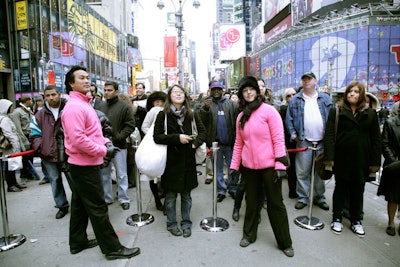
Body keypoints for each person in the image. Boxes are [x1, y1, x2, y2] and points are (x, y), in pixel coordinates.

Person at [61, 65, 140, 259]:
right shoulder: (74, 107)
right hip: (83, 165)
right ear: (71, 84)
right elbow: (79, 140)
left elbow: (94, 132)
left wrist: (105, 141)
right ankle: (112, 248)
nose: (87, 80)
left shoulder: (85, 104)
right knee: (98, 208)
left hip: (85, 163)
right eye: (81, 78)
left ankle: (77, 242)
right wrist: (103, 150)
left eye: (87, 77)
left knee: (80, 205)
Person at [230, 76, 293, 257]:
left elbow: (278, 139)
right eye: (244, 90)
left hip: (269, 167)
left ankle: (285, 242)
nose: (248, 92)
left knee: (275, 204)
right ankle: (249, 235)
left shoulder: (270, 111)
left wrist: (280, 165)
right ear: (242, 95)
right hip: (249, 167)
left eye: (251, 89)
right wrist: (234, 166)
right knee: (251, 203)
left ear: (257, 91)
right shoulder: (241, 116)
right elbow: (238, 144)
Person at [324, 81, 381, 237]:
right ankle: (337, 217)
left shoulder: (370, 114)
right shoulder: (336, 111)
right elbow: (329, 135)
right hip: (342, 158)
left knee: (358, 190)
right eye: (350, 91)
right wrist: (329, 158)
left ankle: (356, 220)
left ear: (361, 95)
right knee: (340, 188)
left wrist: (375, 163)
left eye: (356, 92)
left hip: (362, 159)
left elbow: (376, 139)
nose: (352, 94)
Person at [153, 84, 206, 238]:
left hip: (188, 161)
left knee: (186, 196)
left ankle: (186, 223)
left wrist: (195, 144)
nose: (178, 94)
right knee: (170, 197)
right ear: (169, 96)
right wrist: (177, 138)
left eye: (181, 92)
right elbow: (157, 137)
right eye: (175, 92)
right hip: (170, 162)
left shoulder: (191, 113)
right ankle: (171, 224)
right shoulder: (163, 115)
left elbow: (202, 132)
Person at [286, 71, 332, 211]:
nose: (306, 82)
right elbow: (289, 120)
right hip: (304, 142)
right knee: (302, 172)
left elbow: (332, 118)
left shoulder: (325, 99)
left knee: (319, 171)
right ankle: (303, 197)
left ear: (315, 81)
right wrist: (295, 136)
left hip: (322, 142)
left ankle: (319, 197)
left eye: (309, 79)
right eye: (304, 79)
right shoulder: (295, 100)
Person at [30, 85, 70, 219]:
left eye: (53, 94)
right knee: (55, 180)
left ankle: (79, 205)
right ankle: (62, 206)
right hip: (48, 154)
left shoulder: (69, 108)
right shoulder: (40, 114)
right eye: (47, 96)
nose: (51, 98)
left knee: (73, 181)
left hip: (68, 153)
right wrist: (41, 147)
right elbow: (34, 134)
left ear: (59, 94)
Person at [199, 81, 239, 202]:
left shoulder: (231, 104)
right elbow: (202, 122)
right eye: (213, 89)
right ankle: (221, 190)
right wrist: (205, 109)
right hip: (215, 144)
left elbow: (237, 122)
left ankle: (232, 188)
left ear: (222, 90)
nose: (216, 91)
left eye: (218, 89)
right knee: (218, 169)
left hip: (230, 143)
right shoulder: (206, 104)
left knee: (233, 168)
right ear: (210, 90)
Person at [98, 81, 135, 210]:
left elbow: (130, 125)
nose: (106, 92)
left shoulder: (124, 106)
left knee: (122, 174)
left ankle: (124, 198)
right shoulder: (100, 107)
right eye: (105, 90)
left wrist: (119, 137)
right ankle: (107, 198)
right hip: (103, 146)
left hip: (119, 146)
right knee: (104, 173)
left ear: (116, 91)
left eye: (109, 90)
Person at [141, 91, 167, 213]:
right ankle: (157, 200)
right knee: (152, 174)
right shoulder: (152, 111)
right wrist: (152, 136)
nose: (158, 103)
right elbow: (144, 126)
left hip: (166, 144)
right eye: (155, 101)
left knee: (164, 173)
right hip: (154, 145)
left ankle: (164, 200)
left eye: (160, 100)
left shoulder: (167, 111)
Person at [377, 103, 400, 236]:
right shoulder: (391, 123)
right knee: (393, 196)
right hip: (395, 166)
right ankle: (391, 222)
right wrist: (394, 162)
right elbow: (385, 144)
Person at [0, 99, 28, 192]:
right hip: (10, 147)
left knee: (12, 166)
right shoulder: (4, 119)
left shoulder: (6, 117)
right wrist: (16, 146)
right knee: (9, 166)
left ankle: (14, 183)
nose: (12, 108)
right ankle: (11, 185)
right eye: (10, 106)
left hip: (12, 146)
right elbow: (9, 134)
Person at [11, 96, 35, 181]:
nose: (32, 102)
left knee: (30, 156)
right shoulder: (17, 112)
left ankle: (30, 173)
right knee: (24, 157)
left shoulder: (29, 110)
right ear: (27, 101)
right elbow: (18, 127)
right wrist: (23, 139)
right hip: (24, 136)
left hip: (31, 135)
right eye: (31, 100)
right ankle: (24, 175)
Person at [280, 87, 298, 199]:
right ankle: (292, 190)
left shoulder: (301, 107)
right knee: (291, 168)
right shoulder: (282, 109)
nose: (291, 97)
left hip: (300, 142)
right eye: (288, 95)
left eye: (294, 94)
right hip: (287, 142)